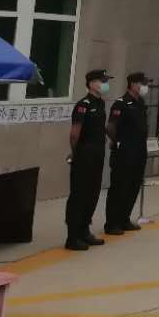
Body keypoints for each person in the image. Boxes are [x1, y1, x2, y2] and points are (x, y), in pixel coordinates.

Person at [65, 69, 111, 251]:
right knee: (79, 195)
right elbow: (74, 134)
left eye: (106, 81)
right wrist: (75, 153)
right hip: (84, 155)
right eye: (102, 81)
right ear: (91, 83)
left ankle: (84, 231)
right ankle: (73, 236)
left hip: (97, 155)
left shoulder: (100, 103)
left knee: (92, 194)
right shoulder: (83, 105)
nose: (105, 84)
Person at [105, 72, 151, 235]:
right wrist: (117, 141)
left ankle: (124, 218)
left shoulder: (140, 103)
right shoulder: (121, 103)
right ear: (132, 84)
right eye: (142, 83)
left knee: (133, 185)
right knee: (119, 187)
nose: (145, 87)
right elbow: (110, 127)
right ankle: (112, 223)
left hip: (139, 151)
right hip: (124, 152)